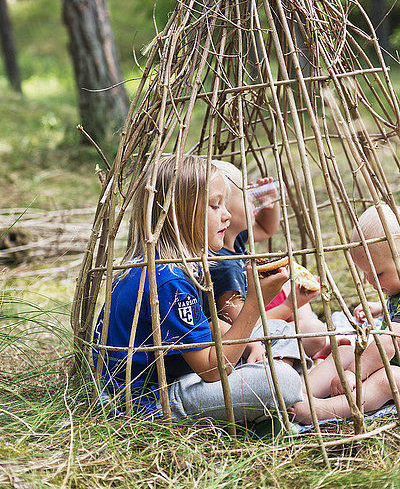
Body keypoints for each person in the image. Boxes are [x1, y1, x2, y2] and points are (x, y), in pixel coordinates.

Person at [93, 155, 303, 424]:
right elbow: (213, 370)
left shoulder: (172, 266)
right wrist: (254, 302)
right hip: (150, 402)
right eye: (215, 206)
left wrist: (251, 340)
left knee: (275, 339)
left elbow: (205, 328)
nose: (226, 214)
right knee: (282, 381)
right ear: (178, 214)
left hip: (179, 374)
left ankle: (286, 402)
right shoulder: (168, 281)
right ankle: (298, 407)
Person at [292, 203, 400, 424]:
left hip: (394, 367)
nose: (370, 282)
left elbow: (389, 344)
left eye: (378, 273)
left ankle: (322, 410)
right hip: (390, 360)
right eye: (366, 274)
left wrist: (354, 373)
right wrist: (379, 307)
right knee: (345, 352)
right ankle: (298, 391)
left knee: (389, 380)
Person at [210, 160, 326, 359]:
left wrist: (269, 207)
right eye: (246, 197)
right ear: (226, 214)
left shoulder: (232, 239)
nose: (252, 200)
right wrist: (289, 306)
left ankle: (308, 335)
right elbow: (242, 325)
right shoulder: (222, 267)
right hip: (251, 333)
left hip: (261, 308)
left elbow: (266, 229)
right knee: (315, 333)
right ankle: (310, 345)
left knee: (292, 274)